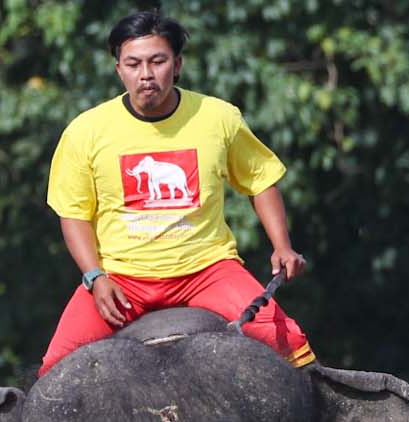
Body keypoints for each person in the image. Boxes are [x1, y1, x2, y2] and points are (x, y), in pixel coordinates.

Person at [40, 12, 315, 376]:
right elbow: (73, 213)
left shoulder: (219, 117)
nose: (146, 74)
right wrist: (95, 277)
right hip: (122, 278)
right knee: (53, 372)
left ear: (178, 63)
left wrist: (282, 245)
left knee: (290, 344)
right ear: (118, 69)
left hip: (208, 271)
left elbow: (260, 179)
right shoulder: (85, 131)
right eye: (133, 63)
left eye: (158, 61)